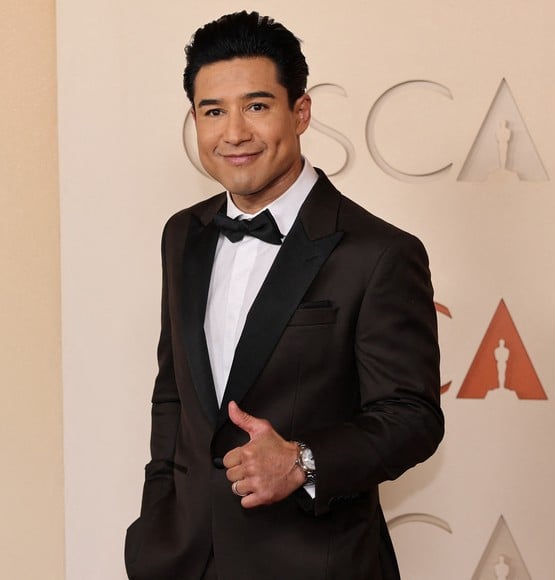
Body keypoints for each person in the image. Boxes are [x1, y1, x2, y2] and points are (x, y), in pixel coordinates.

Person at [125, 11, 444, 580]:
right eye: (213, 111)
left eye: (256, 106)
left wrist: (303, 462)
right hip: (185, 558)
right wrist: (157, 519)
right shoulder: (183, 235)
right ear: (194, 120)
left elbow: (411, 417)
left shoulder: (378, 253)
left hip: (313, 562)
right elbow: (172, 393)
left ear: (300, 112)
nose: (234, 133)